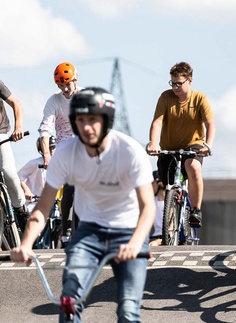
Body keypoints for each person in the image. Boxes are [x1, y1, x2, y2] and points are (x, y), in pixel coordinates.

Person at [10, 87, 155, 322]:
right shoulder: (66, 153)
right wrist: (26, 244)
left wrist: (136, 242)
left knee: (128, 311)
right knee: (70, 302)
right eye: (80, 120)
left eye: (93, 119)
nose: (86, 127)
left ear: (106, 121)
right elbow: (43, 207)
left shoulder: (129, 151)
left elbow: (148, 207)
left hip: (129, 233)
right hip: (89, 232)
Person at [147, 61, 216, 229]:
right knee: (166, 179)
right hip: (169, 147)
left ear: (189, 81)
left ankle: (195, 210)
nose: (175, 87)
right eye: (173, 83)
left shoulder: (200, 99)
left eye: (179, 83)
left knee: (192, 167)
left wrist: (208, 145)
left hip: (193, 145)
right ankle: (173, 209)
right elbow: (157, 123)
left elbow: (210, 124)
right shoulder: (166, 97)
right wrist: (152, 143)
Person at [38, 62, 82, 245]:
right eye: (60, 85)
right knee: (71, 188)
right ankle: (66, 231)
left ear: (75, 80)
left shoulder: (85, 96)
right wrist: (47, 155)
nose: (65, 88)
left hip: (84, 145)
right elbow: (45, 129)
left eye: (67, 84)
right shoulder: (54, 101)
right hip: (64, 147)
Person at [0, 79, 30, 231]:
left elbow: (16, 104)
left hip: (0, 133)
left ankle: (19, 210)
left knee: (8, 171)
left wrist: (18, 127)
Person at [18, 136, 56, 211]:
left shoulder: (60, 164)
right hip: (34, 202)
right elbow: (17, 177)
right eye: (49, 148)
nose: (52, 151)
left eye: (53, 148)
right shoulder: (34, 163)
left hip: (54, 203)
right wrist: (26, 190)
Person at [149, 170, 165, 247]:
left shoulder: (171, 202)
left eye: (152, 183)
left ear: (159, 182)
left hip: (166, 236)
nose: (150, 185)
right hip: (154, 236)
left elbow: (171, 230)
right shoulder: (151, 200)